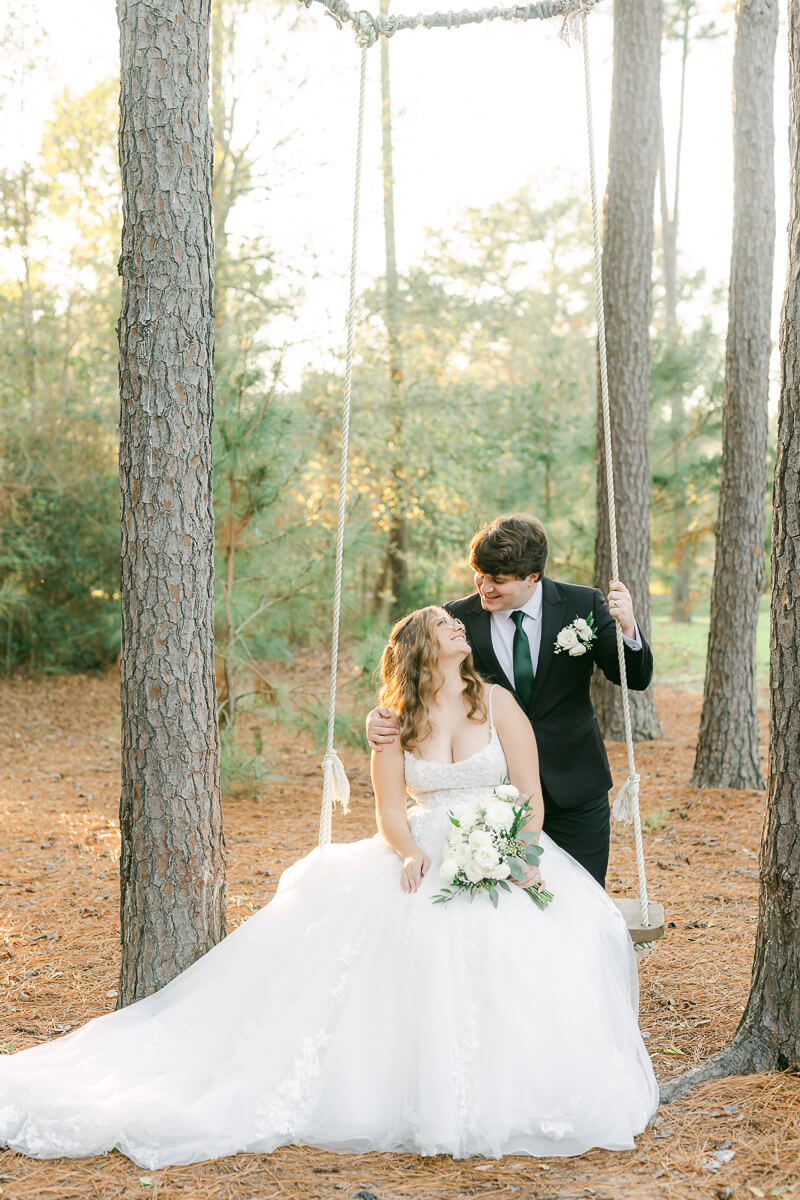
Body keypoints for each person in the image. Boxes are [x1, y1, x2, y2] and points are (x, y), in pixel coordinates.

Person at [0, 606, 658, 1168]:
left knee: (532, 952)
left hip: (503, 846)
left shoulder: (501, 704)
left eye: (456, 621)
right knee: (408, 945)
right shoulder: (393, 721)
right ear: (420, 649)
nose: (458, 624)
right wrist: (405, 853)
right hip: (424, 852)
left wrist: (514, 845)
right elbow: (391, 811)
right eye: (442, 623)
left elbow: (534, 799)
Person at [367, 514, 654, 887]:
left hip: (573, 784)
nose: (484, 587)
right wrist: (379, 717)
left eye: (497, 580)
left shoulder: (581, 604)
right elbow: (418, 682)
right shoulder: (456, 618)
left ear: (532, 576)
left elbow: (633, 677)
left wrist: (628, 627)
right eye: (479, 575)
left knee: (578, 899)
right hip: (493, 799)